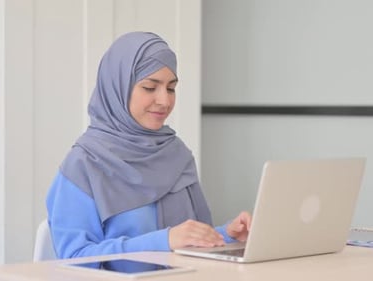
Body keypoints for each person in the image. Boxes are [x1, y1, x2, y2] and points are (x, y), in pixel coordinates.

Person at [46, 31, 252, 259]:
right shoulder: (83, 164)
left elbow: (191, 240)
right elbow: (75, 258)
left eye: (171, 88)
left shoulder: (177, 155)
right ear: (118, 87)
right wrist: (164, 240)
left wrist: (228, 234)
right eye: (150, 87)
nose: (165, 100)